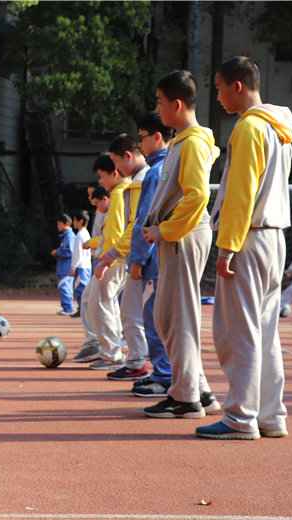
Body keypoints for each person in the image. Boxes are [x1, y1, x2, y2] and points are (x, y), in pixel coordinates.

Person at [198, 56, 292, 440]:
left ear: (237, 86)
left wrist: (227, 248)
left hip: (250, 236)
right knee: (265, 331)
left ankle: (240, 416)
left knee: (238, 331)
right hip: (275, 237)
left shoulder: (249, 128)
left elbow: (240, 194)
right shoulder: (280, 128)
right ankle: (271, 415)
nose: (219, 96)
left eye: (220, 87)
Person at [142, 70, 221, 419]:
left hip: (184, 236)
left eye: (160, 102)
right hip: (179, 235)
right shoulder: (183, 141)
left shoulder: (192, 143)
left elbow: (197, 195)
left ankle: (186, 396)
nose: (157, 109)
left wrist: (166, 230)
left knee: (177, 315)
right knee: (169, 315)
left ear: (176, 104)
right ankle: (197, 390)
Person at [97, 133, 151, 381]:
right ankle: (137, 361)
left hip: (142, 255)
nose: (115, 170)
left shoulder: (143, 181)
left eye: (116, 163)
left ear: (127, 156)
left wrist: (116, 254)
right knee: (131, 312)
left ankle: (148, 365)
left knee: (145, 314)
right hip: (133, 256)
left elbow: (137, 224)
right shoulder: (134, 183)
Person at [128, 112, 174, 397]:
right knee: (158, 314)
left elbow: (146, 218)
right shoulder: (165, 166)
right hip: (162, 253)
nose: (140, 144)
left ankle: (165, 374)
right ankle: (163, 371)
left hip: (156, 255)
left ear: (157, 137)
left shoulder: (156, 172)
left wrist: (137, 257)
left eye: (142, 138)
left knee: (155, 315)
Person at [82, 155, 130, 370]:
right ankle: (110, 349)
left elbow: (118, 232)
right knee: (94, 301)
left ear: (115, 173)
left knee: (101, 302)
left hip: (115, 260)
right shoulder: (118, 193)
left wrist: (108, 258)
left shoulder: (120, 194)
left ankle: (113, 353)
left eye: (102, 176)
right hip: (112, 258)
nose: (100, 182)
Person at [73, 187, 110, 363]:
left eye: (91, 195)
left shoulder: (115, 201)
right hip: (102, 260)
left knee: (101, 303)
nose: (89, 198)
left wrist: (93, 243)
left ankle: (108, 348)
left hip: (111, 260)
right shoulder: (101, 209)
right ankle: (96, 342)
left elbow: (112, 236)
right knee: (90, 300)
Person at [51, 214, 76, 316]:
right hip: (64, 266)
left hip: (66, 267)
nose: (57, 225)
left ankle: (68, 308)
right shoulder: (66, 235)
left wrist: (57, 252)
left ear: (64, 223)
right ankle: (67, 307)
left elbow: (69, 252)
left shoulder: (69, 236)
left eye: (59, 223)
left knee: (64, 286)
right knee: (64, 286)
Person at [70, 210, 92, 318]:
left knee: (80, 288)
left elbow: (77, 253)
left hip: (81, 266)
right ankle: (82, 309)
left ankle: (83, 310)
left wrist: (73, 266)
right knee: (83, 287)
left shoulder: (79, 235)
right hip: (87, 265)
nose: (73, 222)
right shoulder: (86, 233)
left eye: (75, 220)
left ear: (81, 221)